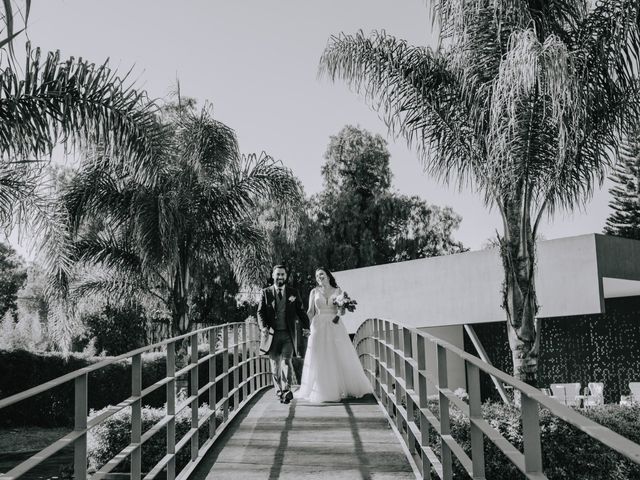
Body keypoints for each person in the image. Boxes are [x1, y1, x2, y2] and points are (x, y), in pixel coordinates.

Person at [296, 267, 373, 402]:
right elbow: (310, 312)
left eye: (322, 274)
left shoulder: (338, 291)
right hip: (318, 325)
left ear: (328, 275)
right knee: (319, 355)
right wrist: (306, 327)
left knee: (338, 353)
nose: (319, 277)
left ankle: (346, 387)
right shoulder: (314, 292)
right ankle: (322, 389)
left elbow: (341, 311)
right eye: (317, 276)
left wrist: (340, 311)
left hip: (334, 324)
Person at [257, 265, 310, 404]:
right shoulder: (265, 292)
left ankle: (286, 390)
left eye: (282, 274)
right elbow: (260, 312)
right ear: (273, 275)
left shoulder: (293, 292)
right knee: (275, 365)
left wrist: (307, 326)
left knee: (286, 361)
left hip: (288, 334)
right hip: (272, 335)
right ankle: (279, 391)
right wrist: (263, 327)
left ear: (286, 276)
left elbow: (301, 311)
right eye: (278, 274)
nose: (280, 277)